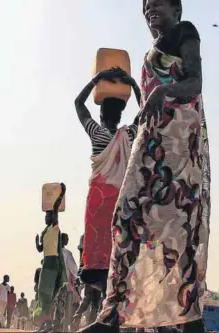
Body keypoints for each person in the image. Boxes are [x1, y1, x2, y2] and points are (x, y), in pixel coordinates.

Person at [81, 0, 210, 333]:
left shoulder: (187, 32)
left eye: (159, 5)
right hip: (151, 146)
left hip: (180, 150)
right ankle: (113, 316)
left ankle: (188, 319)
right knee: (126, 218)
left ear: (177, 9)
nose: (150, 11)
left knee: (179, 234)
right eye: (146, 7)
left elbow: (195, 83)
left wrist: (165, 90)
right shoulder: (148, 54)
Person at [75, 64, 140, 293]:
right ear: (121, 115)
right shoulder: (129, 135)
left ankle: (103, 301)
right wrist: (133, 84)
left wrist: (97, 79)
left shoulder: (97, 134)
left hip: (98, 200)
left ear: (101, 114)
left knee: (99, 255)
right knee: (118, 250)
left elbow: (78, 104)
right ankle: (114, 305)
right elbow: (146, 112)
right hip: (121, 200)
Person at [34, 183, 67, 332]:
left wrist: (62, 193)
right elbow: (41, 249)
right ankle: (45, 324)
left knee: (47, 294)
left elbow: (55, 209)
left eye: (49, 215)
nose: (47, 217)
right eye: (46, 215)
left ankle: (47, 325)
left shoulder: (54, 227)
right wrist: (36, 243)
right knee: (43, 294)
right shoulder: (45, 231)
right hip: (46, 263)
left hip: (52, 262)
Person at [72, 234, 103, 330]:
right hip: (97, 270)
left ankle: (78, 316)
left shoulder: (84, 236)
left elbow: (81, 255)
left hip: (89, 270)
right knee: (94, 302)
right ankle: (90, 325)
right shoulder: (101, 235)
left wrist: (81, 271)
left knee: (89, 298)